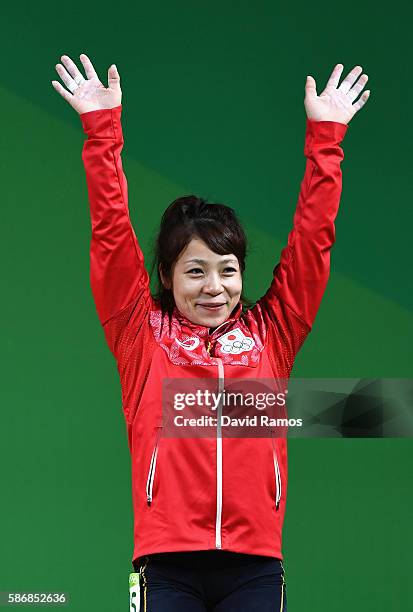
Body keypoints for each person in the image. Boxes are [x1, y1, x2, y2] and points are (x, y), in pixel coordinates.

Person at [52, 55, 370, 611]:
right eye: (195, 271)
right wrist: (101, 132)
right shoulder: (140, 334)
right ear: (168, 277)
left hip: (256, 569)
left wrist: (327, 141)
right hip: (166, 567)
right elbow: (110, 234)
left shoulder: (272, 333)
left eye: (228, 270)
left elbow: (312, 243)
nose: (214, 287)